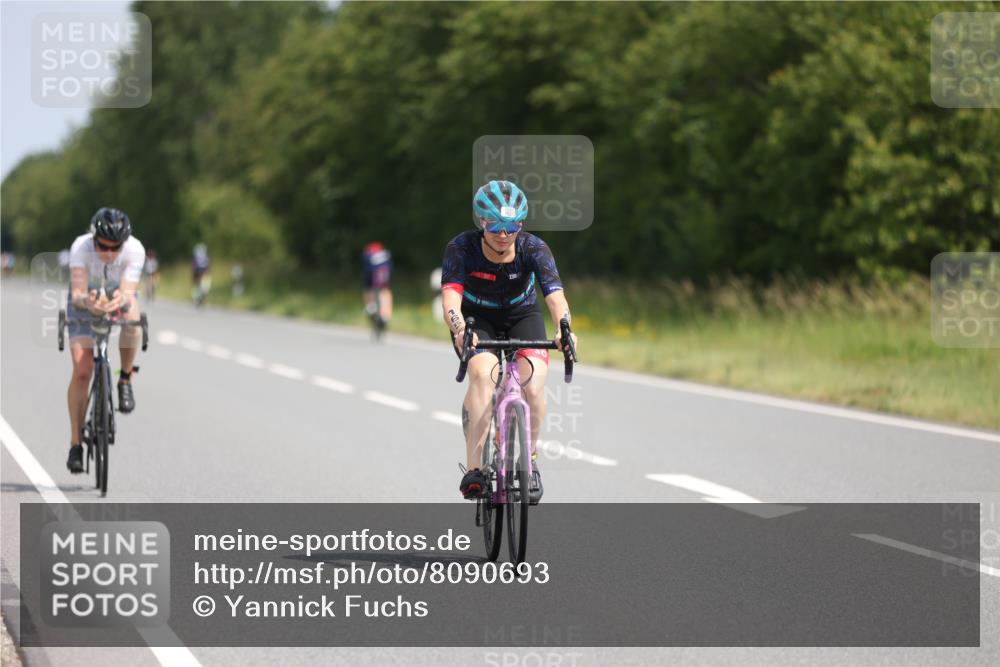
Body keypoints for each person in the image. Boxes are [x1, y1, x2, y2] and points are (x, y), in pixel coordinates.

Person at [441, 180, 578, 501]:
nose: (503, 236)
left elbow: (556, 298)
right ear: (481, 223)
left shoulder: (534, 249)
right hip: (478, 319)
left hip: (522, 315)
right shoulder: (461, 248)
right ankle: (475, 470)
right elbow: (450, 300)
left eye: (511, 227)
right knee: (481, 375)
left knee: (532, 385)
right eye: (496, 227)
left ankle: (529, 460)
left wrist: (564, 328)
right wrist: (461, 329)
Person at [65, 207, 145, 473]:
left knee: (133, 318)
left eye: (116, 248)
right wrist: (88, 302)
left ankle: (124, 379)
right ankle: (76, 444)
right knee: (83, 370)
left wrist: (118, 301)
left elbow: (127, 291)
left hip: (115, 295)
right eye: (104, 246)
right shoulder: (80, 247)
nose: (110, 253)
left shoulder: (135, 250)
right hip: (84, 299)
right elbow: (77, 292)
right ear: (93, 238)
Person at [362, 241, 393, 329]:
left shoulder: (367, 254)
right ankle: (386, 314)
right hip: (386, 272)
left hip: (371, 273)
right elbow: (391, 268)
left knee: (368, 288)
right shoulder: (386, 254)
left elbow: (366, 270)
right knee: (386, 290)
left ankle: (370, 306)